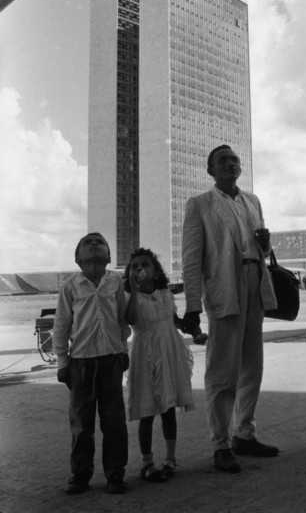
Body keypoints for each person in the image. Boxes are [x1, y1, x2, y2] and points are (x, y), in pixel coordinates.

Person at [181, 144, 279, 473]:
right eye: (222, 160)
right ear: (210, 170)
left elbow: (260, 251)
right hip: (225, 286)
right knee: (223, 369)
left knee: (253, 363)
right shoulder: (200, 205)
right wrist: (193, 306)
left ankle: (245, 433)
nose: (230, 164)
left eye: (234, 159)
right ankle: (220, 443)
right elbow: (192, 259)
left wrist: (264, 244)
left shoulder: (252, 201)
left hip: (255, 281)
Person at [53, 232, 130, 495]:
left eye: (100, 242)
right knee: (81, 423)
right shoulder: (70, 287)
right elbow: (61, 326)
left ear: (109, 256)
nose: (95, 243)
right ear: (78, 259)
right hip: (81, 363)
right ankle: (80, 474)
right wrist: (63, 362)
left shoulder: (116, 281)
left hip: (111, 359)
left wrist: (123, 350)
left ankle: (115, 473)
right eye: (88, 242)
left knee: (114, 421)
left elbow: (121, 320)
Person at [123, 248, 195, 483]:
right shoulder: (129, 298)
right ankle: (146, 462)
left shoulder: (165, 294)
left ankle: (170, 458)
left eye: (145, 264)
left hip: (169, 353)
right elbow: (132, 320)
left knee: (168, 408)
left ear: (155, 272)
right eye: (134, 266)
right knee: (147, 411)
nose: (140, 268)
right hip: (145, 355)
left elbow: (175, 321)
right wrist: (133, 291)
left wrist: (194, 328)